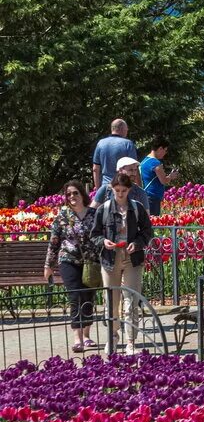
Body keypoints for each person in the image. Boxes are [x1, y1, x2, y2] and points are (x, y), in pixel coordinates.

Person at [90, 173, 154, 355]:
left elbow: (148, 231)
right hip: (111, 258)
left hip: (132, 257)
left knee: (132, 300)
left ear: (129, 191)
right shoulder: (104, 209)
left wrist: (138, 243)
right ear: (112, 189)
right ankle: (113, 336)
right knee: (111, 300)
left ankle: (131, 341)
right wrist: (103, 242)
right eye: (117, 190)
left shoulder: (137, 208)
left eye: (123, 191)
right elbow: (94, 235)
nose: (120, 194)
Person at [44, 181, 100, 353]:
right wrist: (48, 265)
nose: (72, 197)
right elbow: (54, 242)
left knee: (88, 296)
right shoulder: (62, 216)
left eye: (75, 193)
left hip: (90, 262)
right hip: (68, 260)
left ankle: (87, 334)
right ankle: (78, 338)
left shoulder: (93, 214)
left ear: (82, 194)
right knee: (75, 297)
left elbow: (100, 235)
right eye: (68, 194)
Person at [92, 119, 137, 192]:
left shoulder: (100, 143)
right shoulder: (128, 144)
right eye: (126, 129)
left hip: (106, 186)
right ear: (122, 129)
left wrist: (98, 190)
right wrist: (139, 187)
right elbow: (134, 168)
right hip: (123, 187)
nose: (127, 131)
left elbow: (95, 169)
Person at [139, 138, 178, 216]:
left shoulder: (144, 161)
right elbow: (163, 180)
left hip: (145, 195)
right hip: (153, 197)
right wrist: (171, 176)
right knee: (153, 222)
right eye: (165, 150)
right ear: (160, 148)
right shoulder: (155, 163)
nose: (165, 153)